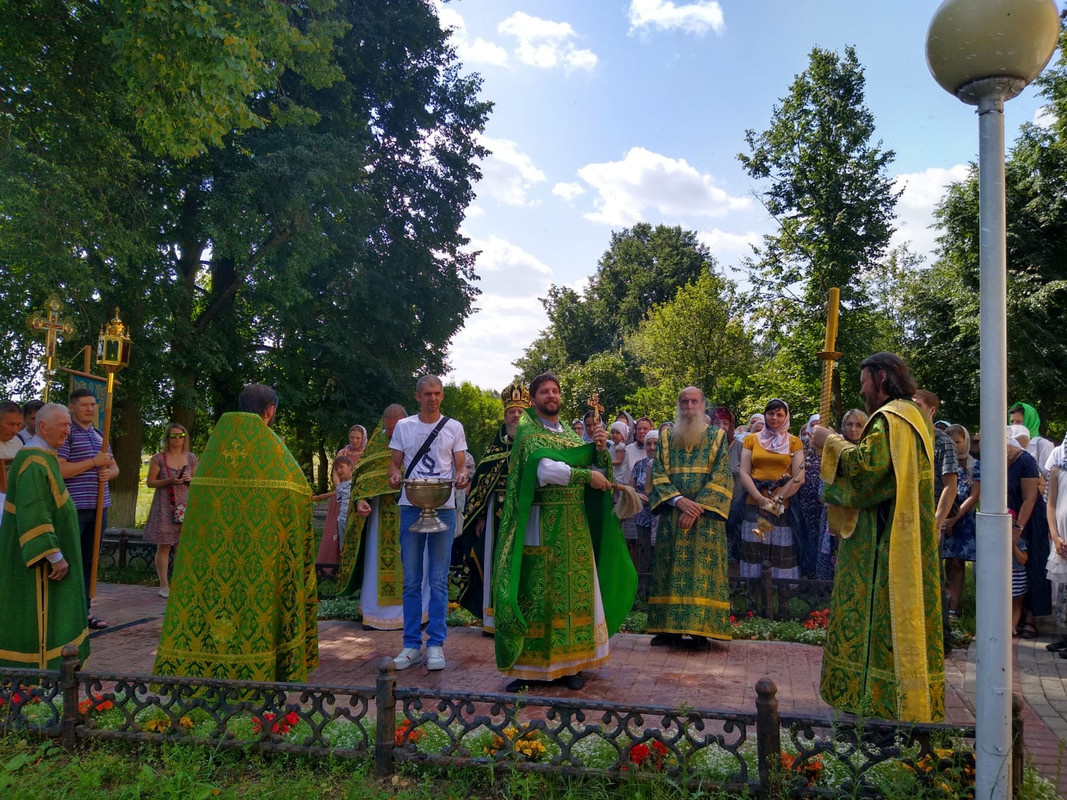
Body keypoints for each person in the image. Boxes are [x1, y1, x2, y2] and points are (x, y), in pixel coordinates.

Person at [154, 383, 318, 683]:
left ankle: (200, 667)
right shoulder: (271, 450)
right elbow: (299, 494)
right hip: (259, 562)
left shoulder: (215, 448)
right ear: (270, 411)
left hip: (213, 560)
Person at [811, 352, 944, 722]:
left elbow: (868, 473)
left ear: (881, 377)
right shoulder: (915, 417)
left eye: (864, 380)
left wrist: (830, 442)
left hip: (883, 542)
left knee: (879, 618)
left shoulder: (890, 419)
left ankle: (879, 705)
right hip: (906, 532)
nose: (861, 388)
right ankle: (894, 701)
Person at [493, 373, 636, 692]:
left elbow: (597, 470)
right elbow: (545, 471)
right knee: (537, 594)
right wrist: (587, 474)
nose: (551, 396)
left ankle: (573, 665)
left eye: (555, 391)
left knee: (576, 594)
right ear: (534, 399)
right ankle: (527, 668)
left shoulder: (571, 439)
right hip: (540, 525)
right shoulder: (529, 433)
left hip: (574, 526)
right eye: (544, 391)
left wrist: (599, 450)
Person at [387, 376, 469, 672]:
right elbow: (394, 464)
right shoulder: (404, 427)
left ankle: (435, 644)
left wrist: (461, 477)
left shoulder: (454, 427)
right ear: (417, 396)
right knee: (411, 580)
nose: (432, 398)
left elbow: (460, 466)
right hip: (411, 506)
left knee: (437, 580)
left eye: (436, 394)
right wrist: (394, 475)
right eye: (427, 394)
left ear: (442, 396)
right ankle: (411, 645)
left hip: (443, 507)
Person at [0, 403, 90, 669]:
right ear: (42, 426)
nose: (68, 431)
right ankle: (36, 670)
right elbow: (35, 514)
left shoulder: (45, 456)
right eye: (63, 425)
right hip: (38, 565)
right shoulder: (33, 462)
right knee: (36, 616)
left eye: (69, 425)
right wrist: (54, 555)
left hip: (53, 556)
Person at [646, 386, 733, 649]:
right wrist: (679, 501)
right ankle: (667, 629)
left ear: (703, 405)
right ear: (678, 405)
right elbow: (658, 475)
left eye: (694, 401)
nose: (689, 406)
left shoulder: (718, 437)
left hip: (705, 521)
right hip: (674, 517)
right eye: (684, 401)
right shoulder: (665, 438)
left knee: (700, 575)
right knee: (670, 572)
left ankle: (700, 630)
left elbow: (722, 477)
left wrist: (697, 508)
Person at [338, 404, 429, 631]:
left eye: (395, 430)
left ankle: (416, 615)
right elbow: (361, 481)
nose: (391, 435)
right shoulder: (376, 449)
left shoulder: (418, 441)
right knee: (380, 563)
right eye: (388, 430)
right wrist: (361, 501)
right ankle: (375, 615)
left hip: (414, 512)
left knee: (415, 563)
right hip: (381, 518)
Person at [453, 383, 530, 632]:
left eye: (520, 411)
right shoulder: (494, 450)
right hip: (495, 517)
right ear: (505, 415)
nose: (516, 416)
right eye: (512, 412)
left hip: (528, 514)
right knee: (495, 564)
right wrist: (479, 518)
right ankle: (494, 619)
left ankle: (525, 616)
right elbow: (481, 488)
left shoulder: (536, 444)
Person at [57, 388, 119, 631]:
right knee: (71, 559)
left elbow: (114, 468)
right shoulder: (67, 434)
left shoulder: (98, 434)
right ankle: (66, 611)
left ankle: (85, 610)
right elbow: (60, 470)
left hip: (99, 506)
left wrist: (108, 471)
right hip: (75, 506)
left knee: (90, 561)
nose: (90, 409)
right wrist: (94, 463)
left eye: (93, 404)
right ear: (72, 407)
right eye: (84, 405)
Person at [738, 399, 804, 579]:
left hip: (782, 505)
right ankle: (752, 598)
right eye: (770, 413)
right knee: (754, 548)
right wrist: (760, 499)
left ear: (786, 417)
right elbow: (744, 472)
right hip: (754, 501)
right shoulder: (751, 439)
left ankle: (782, 601)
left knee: (781, 553)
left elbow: (799, 475)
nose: (774, 417)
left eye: (779, 414)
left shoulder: (794, 442)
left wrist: (778, 499)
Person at [142, 423, 197, 598]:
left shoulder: (191, 458)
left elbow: (197, 481)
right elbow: (150, 483)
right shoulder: (159, 459)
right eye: (173, 436)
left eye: (181, 436)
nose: (177, 440)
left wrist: (189, 479)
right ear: (167, 438)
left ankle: (180, 582)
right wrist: (169, 481)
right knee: (164, 545)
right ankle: (164, 585)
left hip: (185, 505)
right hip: (165, 505)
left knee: (182, 545)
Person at [1008, 425, 1051, 640]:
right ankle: (1017, 616)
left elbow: (1030, 498)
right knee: (1016, 571)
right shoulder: (994, 461)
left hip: (1031, 520)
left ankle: (1032, 618)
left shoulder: (1025, 461)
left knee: (1033, 565)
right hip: (1010, 516)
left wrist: (1018, 528)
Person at [816, 409, 869, 581]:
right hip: (834, 510)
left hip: (858, 513)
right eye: (849, 424)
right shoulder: (833, 448)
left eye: (858, 425)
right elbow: (825, 484)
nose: (853, 429)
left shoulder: (868, 452)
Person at [942, 424, 979, 618]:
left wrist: (953, 520)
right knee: (945, 560)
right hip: (943, 518)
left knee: (957, 561)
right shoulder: (943, 462)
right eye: (951, 442)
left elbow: (974, 496)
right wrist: (944, 519)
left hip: (963, 520)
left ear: (965, 442)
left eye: (958, 441)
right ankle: (944, 602)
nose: (954, 446)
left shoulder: (973, 464)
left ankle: (954, 605)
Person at [628, 428, 658, 598]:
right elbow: (629, 488)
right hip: (643, 518)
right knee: (644, 553)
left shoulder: (666, 466)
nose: (652, 447)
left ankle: (659, 593)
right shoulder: (639, 465)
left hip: (661, 518)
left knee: (659, 554)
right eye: (649, 443)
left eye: (655, 443)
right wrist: (637, 495)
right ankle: (643, 594)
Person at [1044, 443, 1067, 655]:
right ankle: (1065, 635)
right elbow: (1051, 504)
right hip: (1062, 537)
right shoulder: (1057, 469)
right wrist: (1055, 534)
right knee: (1064, 589)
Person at [1010, 402, 1054, 486]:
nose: (1014, 426)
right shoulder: (1008, 444)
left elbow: (1050, 479)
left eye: (1019, 422)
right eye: (1012, 422)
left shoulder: (1043, 445)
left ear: (1030, 421)